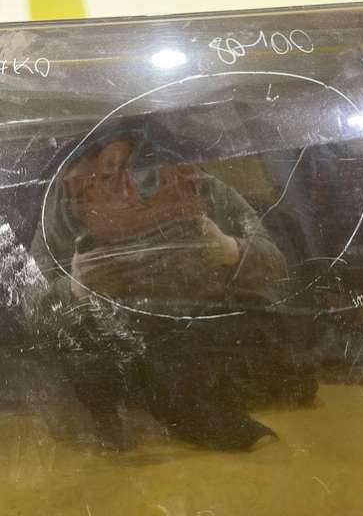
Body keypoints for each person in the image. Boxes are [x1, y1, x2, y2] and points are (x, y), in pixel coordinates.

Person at [28, 121, 295, 451]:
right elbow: (31, 304)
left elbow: (276, 264)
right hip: (117, 349)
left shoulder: (203, 188)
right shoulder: (65, 207)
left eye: (145, 168)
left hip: (206, 339)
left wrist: (229, 250)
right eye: (111, 173)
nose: (130, 188)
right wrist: (78, 285)